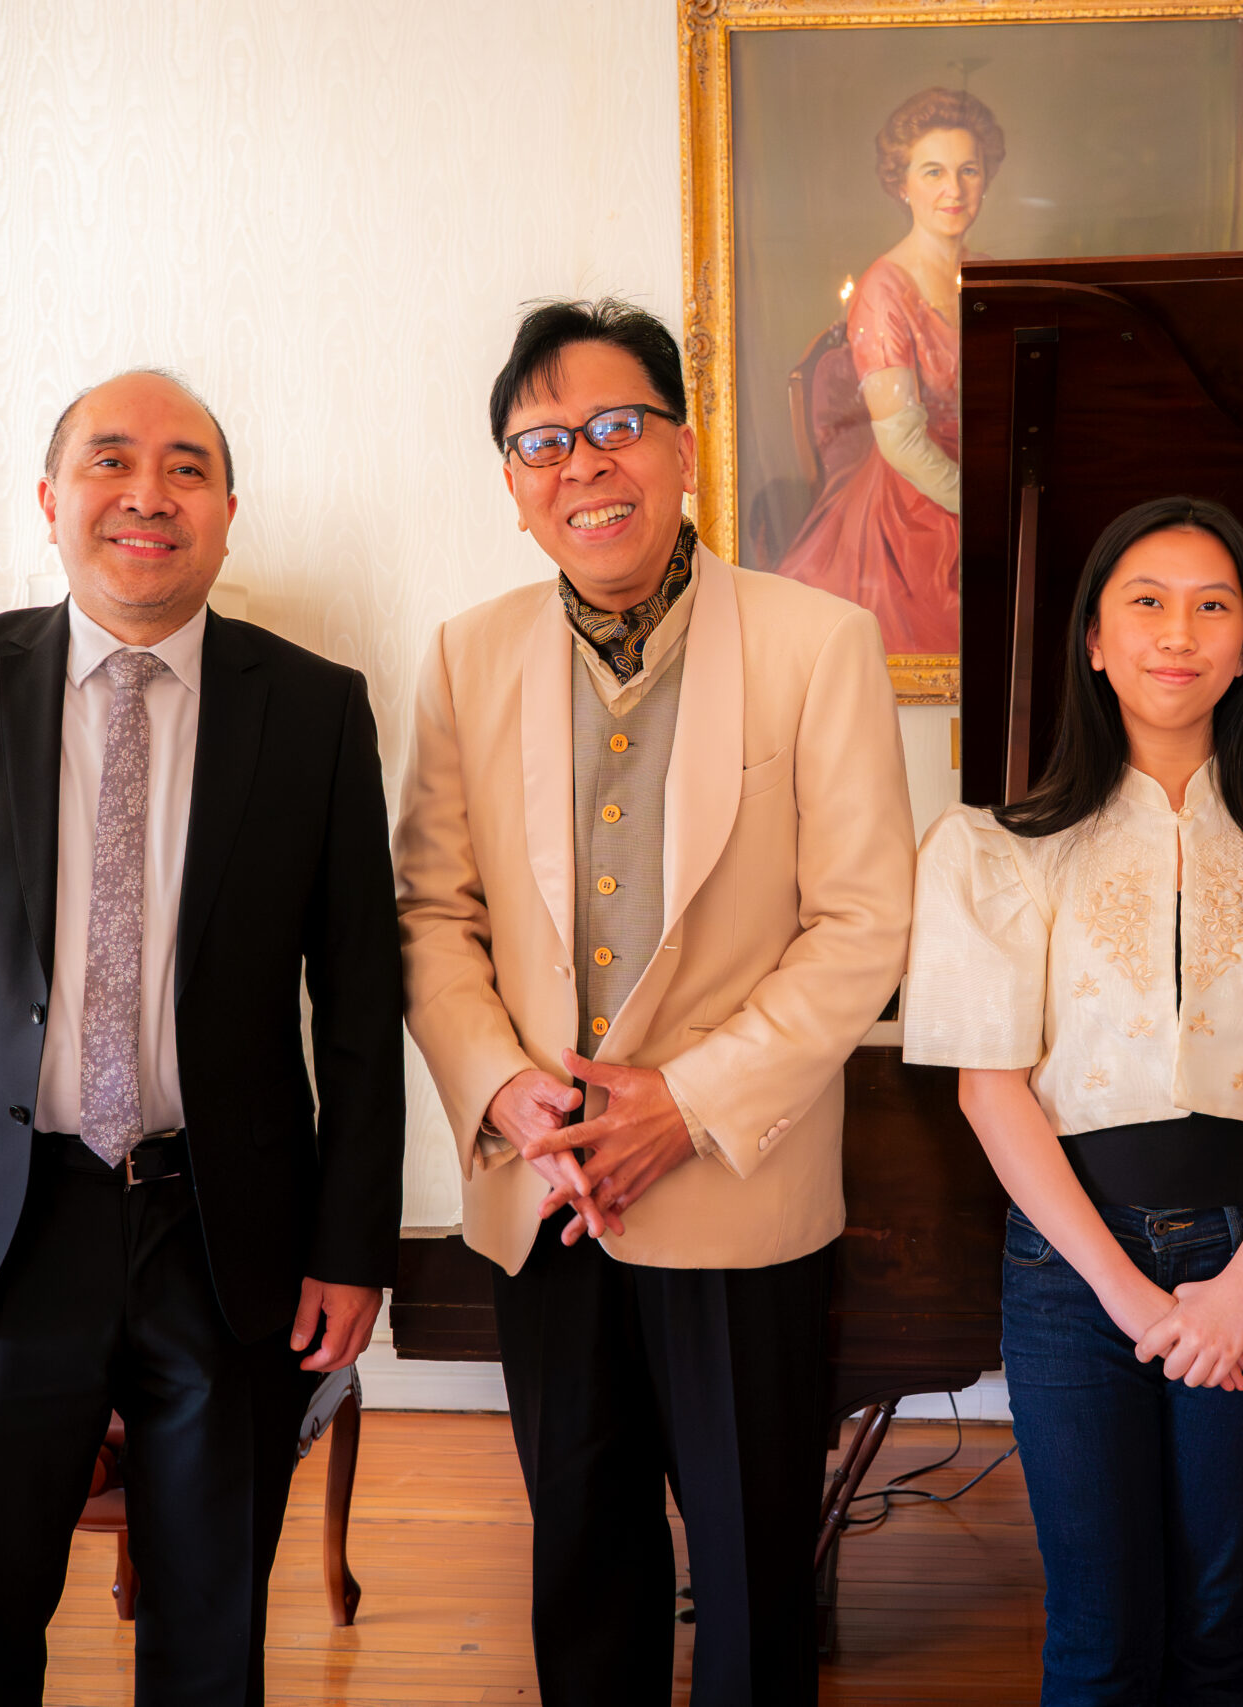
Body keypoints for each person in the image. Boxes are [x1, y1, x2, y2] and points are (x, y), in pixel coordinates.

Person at [0, 370, 405, 1707]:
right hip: (3, 1231)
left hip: (225, 1231)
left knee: (210, 1631)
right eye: (113, 461)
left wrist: (351, 1246)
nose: (150, 492)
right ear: (50, 499)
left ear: (230, 512)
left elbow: (363, 1008)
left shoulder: (314, 710)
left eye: (188, 467)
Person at [395, 298, 914, 1706]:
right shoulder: (466, 656)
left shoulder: (819, 641)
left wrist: (689, 1099)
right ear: (515, 487)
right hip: (547, 1188)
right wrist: (506, 1086)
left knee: (752, 1584)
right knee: (584, 1563)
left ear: (682, 449)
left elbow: (865, 920)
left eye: (619, 428)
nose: (586, 465)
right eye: (544, 443)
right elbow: (433, 914)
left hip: (738, 1191)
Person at [904, 496, 1243, 1703]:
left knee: (1216, 1628)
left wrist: (1237, 1295)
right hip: (1071, 1278)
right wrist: (1129, 1297)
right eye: (1145, 601)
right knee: (1095, 1631)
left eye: (1210, 605)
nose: (1175, 632)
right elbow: (992, 1095)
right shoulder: (997, 849)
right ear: (1093, 639)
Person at [774, 85, 1003, 655]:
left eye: (968, 170)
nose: (953, 190)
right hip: (916, 507)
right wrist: (983, 502)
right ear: (901, 186)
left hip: (993, 472)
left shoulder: (992, 275)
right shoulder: (883, 290)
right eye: (932, 173)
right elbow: (902, 441)